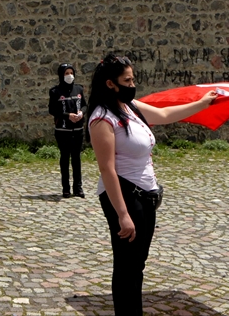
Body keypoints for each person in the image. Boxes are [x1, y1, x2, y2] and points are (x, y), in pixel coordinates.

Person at [88, 54, 218, 316]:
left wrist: (202, 103)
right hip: (124, 193)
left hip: (145, 194)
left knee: (137, 263)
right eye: (127, 80)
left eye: (133, 79)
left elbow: (165, 114)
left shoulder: (130, 106)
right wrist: (123, 214)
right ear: (110, 83)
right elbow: (107, 169)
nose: (132, 84)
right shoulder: (102, 118)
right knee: (127, 265)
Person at [49, 62, 87, 198]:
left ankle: (78, 188)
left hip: (78, 129)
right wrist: (67, 115)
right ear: (61, 75)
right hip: (63, 130)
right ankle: (66, 188)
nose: (69, 76)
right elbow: (52, 110)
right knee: (65, 157)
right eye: (66, 73)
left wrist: (81, 113)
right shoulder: (55, 91)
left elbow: (85, 105)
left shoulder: (79, 89)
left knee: (76, 158)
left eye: (71, 73)